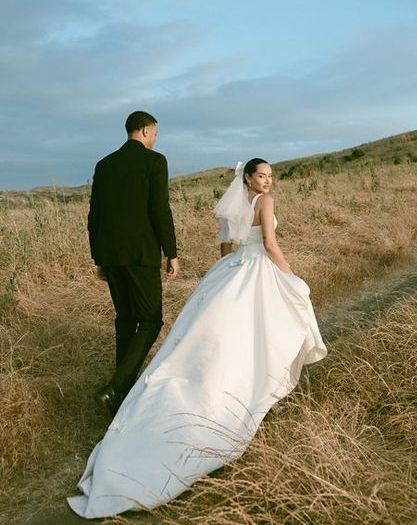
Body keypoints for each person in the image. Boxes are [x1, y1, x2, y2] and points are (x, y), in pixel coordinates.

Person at [68, 159, 327, 519]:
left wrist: (230, 270)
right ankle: (259, 393)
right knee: (263, 333)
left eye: (270, 176)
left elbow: (226, 248)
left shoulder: (234, 205)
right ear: (249, 179)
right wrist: (290, 275)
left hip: (233, 270)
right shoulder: (265, 203)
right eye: (262, 176)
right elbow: (269, 242)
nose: (268, 182)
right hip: (260, 269)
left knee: (222, 338)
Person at [87, 110, 179, 416]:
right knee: (151, 319)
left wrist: (98, 257)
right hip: (141, 254)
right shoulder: (155, 162)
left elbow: (94, 215)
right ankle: (115, 387)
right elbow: (159, 210)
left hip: (111, 254)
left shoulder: (104, 165)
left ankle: (119, 396)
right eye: (154, 133)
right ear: (144, 130)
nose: (155, 139)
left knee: (125, 318)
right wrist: (171, 252)